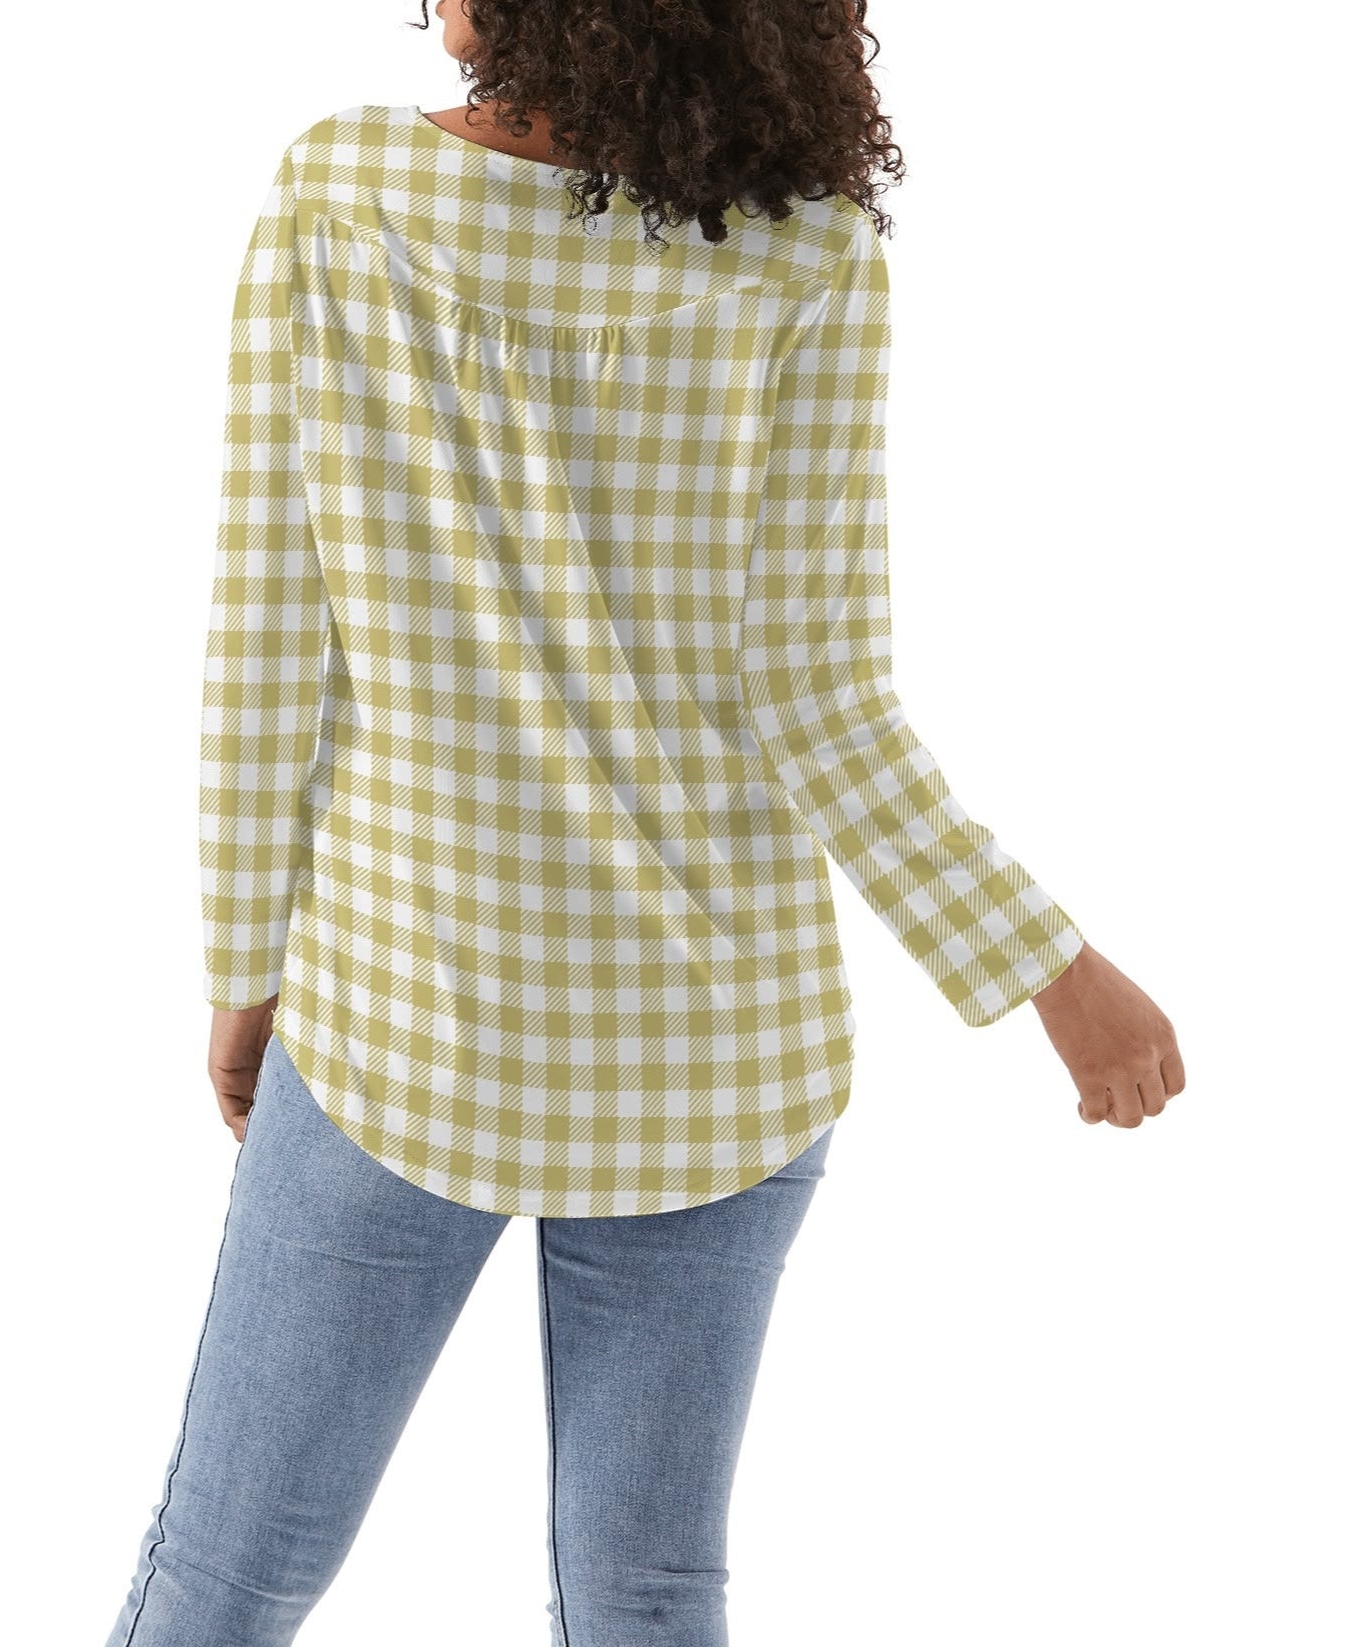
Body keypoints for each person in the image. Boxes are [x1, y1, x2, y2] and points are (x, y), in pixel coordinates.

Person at [105, 3, 1186, 1642]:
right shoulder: (812, 258)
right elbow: (821, 699)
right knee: (649, 1592)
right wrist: (1057, 972)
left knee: (226, 1570)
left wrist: (243, 972)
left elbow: (270, 639)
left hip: (407, 1025)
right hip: (719, 1064)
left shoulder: (340, 193)